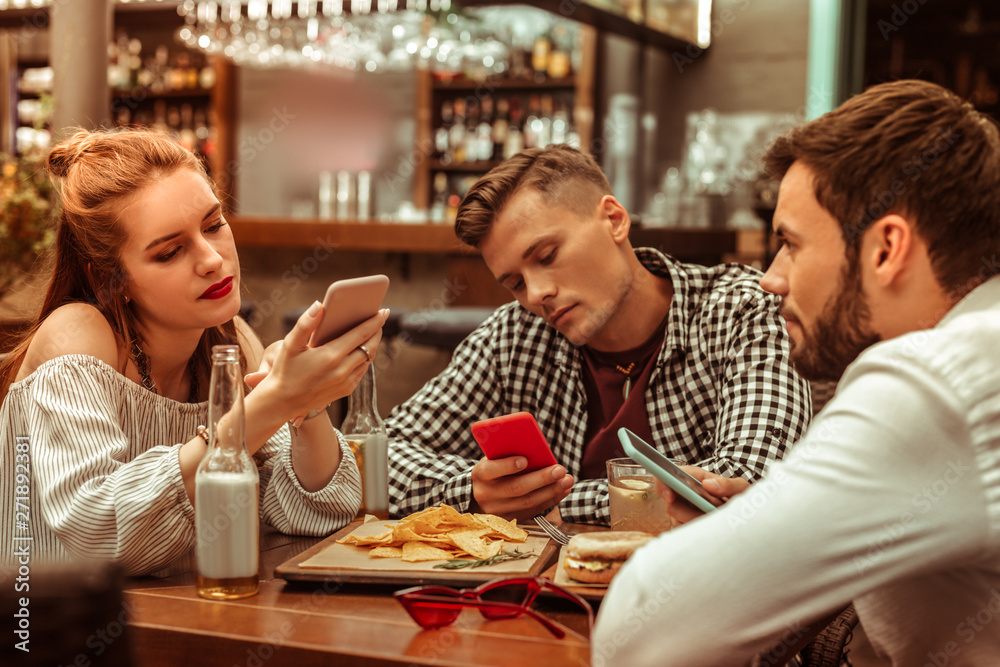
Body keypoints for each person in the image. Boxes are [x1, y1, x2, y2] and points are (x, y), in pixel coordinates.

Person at [594, 79, 1000, 666]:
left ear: (886, 249)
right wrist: (779, 527)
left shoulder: (937, 382)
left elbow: (643, 631)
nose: (771, 277)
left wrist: (742, 539)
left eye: (789, 243)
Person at [0, 128, 387, 576]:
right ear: (113, 280)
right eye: (169, 252)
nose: (211, 259)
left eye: (214, 225)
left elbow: (314, 515)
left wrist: (307, 406)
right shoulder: (78, 335)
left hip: (181, 622)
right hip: (40, 635)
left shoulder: (230, 342)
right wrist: (272, 403)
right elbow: (100, 537)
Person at [386, 144, 811, 523]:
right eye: (515, 283)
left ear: (614, 219)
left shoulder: (744, 312)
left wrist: (543, 500)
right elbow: (378, 454)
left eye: (547, 256)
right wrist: (473, 491)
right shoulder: (514, 335)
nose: (537, 294)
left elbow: (746, 483)